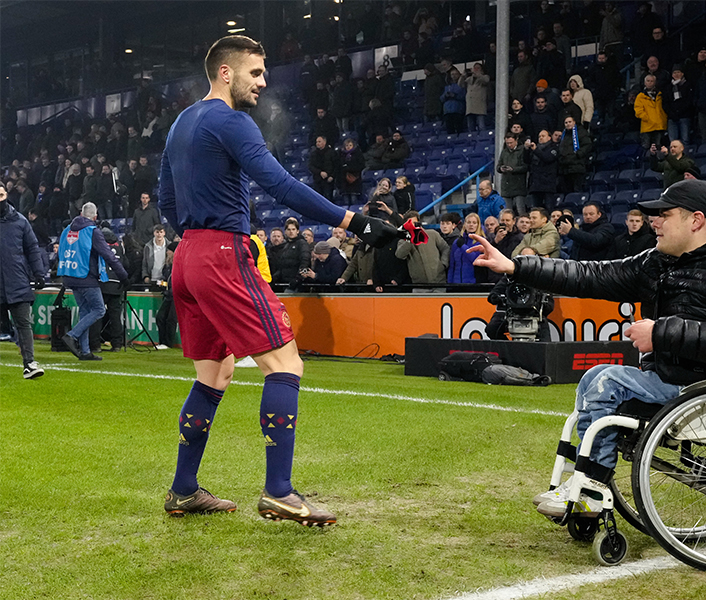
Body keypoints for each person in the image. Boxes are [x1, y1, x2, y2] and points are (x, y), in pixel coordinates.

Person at [157, 35, 400, 525]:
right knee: (285, 363)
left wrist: (196, 238)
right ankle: (279, 492)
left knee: (214, 374)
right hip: (222, 255)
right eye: (256, 73)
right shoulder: (232, 121)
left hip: (188, 256)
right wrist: (353, 221)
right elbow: (281, 185)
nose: (263, 82)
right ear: (226, 72)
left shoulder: (182, 123)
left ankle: (183, 490)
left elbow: (165, 199)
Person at [467, 179, 706, 516]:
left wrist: (660, 333)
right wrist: (516, 267)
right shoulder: (660, 261)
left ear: (696, 220)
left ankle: (592, 487)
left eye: (665, 215)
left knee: (607, 381)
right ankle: (586, 481)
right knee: (594, 376)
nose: (655, 222)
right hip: (675, 378)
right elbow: (592, 275)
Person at [58, 202, 129, 361]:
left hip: (70, 275)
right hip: (86, 277)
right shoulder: (92, 231)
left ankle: (85, 351)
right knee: (99, 309)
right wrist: (123, 276)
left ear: (81, 214)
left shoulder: (67, 230)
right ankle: (72, 335)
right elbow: (109, 255)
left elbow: (61, 252)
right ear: (95, 217)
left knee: (85, 311)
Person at [0, 185, 46, 379]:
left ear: (6, 195)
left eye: (1, 195)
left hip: (17, 281)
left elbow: (32, 248)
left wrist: (39, 273)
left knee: (24, 324)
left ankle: (29, 364)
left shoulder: (20, 221)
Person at [396, 210, 449, 286]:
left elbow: (445, 248)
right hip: (419, 284)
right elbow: (400, 255)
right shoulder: (403, 241)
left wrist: (443, 264)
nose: (413, 225)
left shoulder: (433, 234)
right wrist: (410, 239)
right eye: (410, 223)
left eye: (415, 223)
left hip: (439, 282)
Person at [447, 213, 486, 284]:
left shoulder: (481, 241)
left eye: (474, 223)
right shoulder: (457, 242)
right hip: (457, 283)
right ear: (464, 224)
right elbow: (452, 265)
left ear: (478, 225)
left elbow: (475, 259)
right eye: (469, 222)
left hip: (473, 283)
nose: (471, 225)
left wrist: (463, 246)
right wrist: (449, 283)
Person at [496, 134, 528, 216]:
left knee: (521, 211)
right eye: (507, 143)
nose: (509, 145)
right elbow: (498, 166)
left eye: (511, 143)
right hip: (506, 186)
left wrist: (513, 169)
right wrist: (501, 168)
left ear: (516, 141)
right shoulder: (504, 152)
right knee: (507, 212)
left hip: (519, 186)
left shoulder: (522, 151)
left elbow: (525, 167)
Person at [634, 74, 667, 150]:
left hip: (659, 125)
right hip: (647, 126)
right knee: (646, 147)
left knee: (658, 147)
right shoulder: (640, 96)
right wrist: (646, 118)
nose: (650, 83)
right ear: (645, 83)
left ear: (655, 82)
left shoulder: (660, 94)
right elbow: (638, 110)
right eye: (648, 81)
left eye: (652, 81)